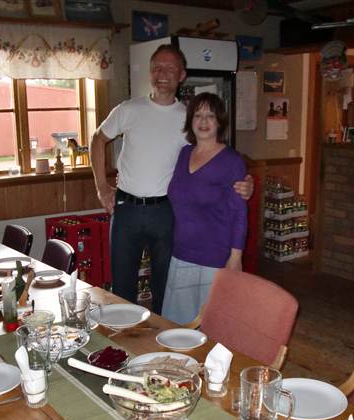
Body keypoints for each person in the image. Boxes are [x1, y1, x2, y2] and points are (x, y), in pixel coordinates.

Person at [90, 44, 253, 314]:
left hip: (166, 212)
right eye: (157, 68)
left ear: (182, 75)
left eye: (170, 68)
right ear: (150, 73)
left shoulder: (187, 118)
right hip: (126, 209)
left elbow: (213, 155)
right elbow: (97, 139)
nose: (162, 74)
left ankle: (163, 338)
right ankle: (123, 340)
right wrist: (101, 187)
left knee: (164, 289)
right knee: (122, 289)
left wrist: (245, 182)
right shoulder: (129, 109)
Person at [162, 92, 248, 325]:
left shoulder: (232, 161)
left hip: (215, 257)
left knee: (211, 327)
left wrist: (236, 257)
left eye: (210, 116)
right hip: (181, 253)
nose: (203, 121)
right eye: (197, 115)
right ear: (190, 120)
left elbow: (239, 214)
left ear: (219, 122)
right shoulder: (184, 154)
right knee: (178, 326)